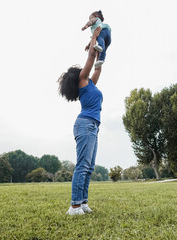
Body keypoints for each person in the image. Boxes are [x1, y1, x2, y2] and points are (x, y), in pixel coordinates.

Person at [58, 27, 103, 215]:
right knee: (82, 165)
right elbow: (91, 60)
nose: (83, 70)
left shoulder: (89, 83)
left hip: (92, 126)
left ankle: (83, 203)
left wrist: (101, 46)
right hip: (85, 125)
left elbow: (98, 66)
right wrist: (93, 37)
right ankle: (74, 206)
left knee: (89, 167)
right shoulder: (82, 80)